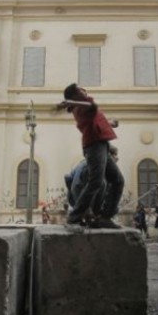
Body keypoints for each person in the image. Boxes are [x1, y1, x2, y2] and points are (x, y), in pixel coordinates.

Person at [56, 84, 124, 229]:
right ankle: (75, 217)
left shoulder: (81, 106)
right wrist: (72, 103)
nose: (84, 90)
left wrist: (110, 123)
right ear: (74, 95)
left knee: (117, 180)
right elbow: (92, 107)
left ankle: (105, 217)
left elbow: (96, 119)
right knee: (96, 181)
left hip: (101, 145)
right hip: (94, 146)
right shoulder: (79, 108)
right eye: (80, 89)